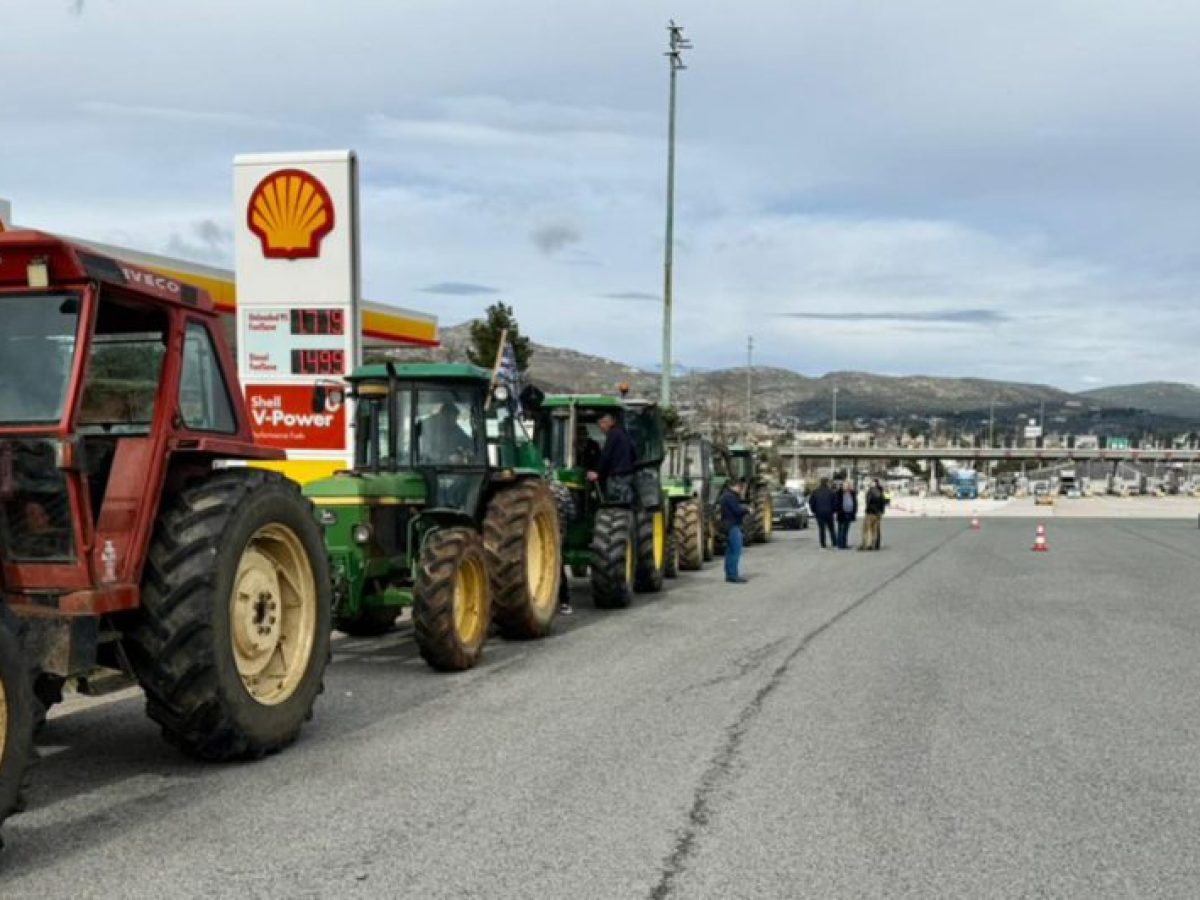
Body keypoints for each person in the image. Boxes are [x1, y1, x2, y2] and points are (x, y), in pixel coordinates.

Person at [586, 412, 636, 502]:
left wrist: (597, 473)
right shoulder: (624, 434)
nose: (600, 428)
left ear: (607, 423)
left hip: (617, 477)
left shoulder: (613, 435)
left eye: (600, 424)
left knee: (614, 501)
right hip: (628, 474)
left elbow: (606, 455)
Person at [721, 478, 750, 583]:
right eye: (740, 487)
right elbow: (737, 511)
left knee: (729, 551)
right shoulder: (730, 497)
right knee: (735, 551)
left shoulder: (725, 496)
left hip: (727, 526)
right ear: (735, 486)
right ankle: (733, 575)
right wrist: (747, 510)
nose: (740, 489)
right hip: (733, 526)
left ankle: (729, 574)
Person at [807, 476, 837, 550]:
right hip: (829, 512)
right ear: (827, 483)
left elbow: (811, 502)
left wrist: (814, 511)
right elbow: (835, 503)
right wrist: (833, 511)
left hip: (819, 513)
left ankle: (823, 544)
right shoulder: (831, 492)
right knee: (831, 528)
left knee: (821, 529)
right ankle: (834, 543)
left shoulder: (815, 491)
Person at [860, 479, 886, 551]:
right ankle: (874, 545)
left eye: (871, 482)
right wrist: (880, 512)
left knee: (865, 529)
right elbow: (883, 503)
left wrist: (868, 510)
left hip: (870, 513)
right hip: (878, 514)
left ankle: (865, 545)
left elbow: (868, 503)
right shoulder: (880, 492)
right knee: (875, 530)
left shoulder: (870, 492)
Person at [835, 479, 857, 549]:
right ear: (843, 486)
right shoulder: (839, 493)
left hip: (849, 513)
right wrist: (839, 511)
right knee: (841, 529)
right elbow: (837, 503)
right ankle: (840, 545)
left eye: (848, 485)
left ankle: (844, 544)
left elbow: (855, 503)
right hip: (842, 513)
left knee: (846, 530)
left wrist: (854, 511)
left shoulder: (852, 493)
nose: (847, 486)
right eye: (845, 485)